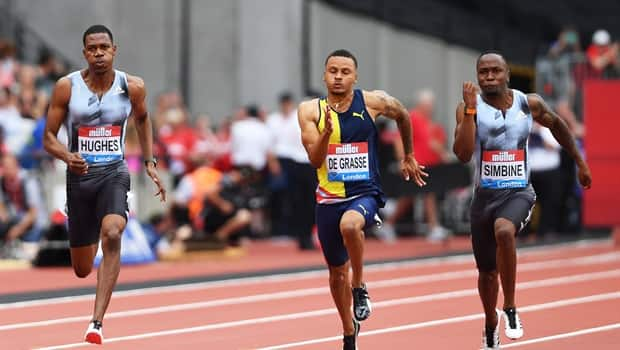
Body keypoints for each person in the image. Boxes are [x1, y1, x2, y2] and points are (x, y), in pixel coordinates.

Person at [453, 52, 592, 349]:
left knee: (505, 231)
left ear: (507, 75)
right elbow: (463, 153)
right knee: (487, 273)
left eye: (495, 71)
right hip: (484, 198)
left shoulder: (528, 103)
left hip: (518, 191)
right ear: (477, 76)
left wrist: (580, 161)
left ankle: (511, 308)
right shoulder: (470, 107)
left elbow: (557, 125)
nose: (489, 77)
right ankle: (491, 324)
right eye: (483, 72)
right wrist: (467, 112)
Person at [43, 25, 166, 344]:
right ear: (84, 52)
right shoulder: (66, 87)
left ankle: (96, 323)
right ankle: (86, 228)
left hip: (114, 172)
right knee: (82, 268)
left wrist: (150, 162)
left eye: (104, 48)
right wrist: (68, 156)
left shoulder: (133, 86)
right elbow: (48, 138)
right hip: (80, 178)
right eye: (92, 48)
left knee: (113, 231)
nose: (98, 53)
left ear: (114, 50)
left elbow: (143, 118)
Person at [297, 49, 427, 350]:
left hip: (363, 194)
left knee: (351, 226)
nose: (338, 77)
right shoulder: (309, 111)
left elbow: (403, 115)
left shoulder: (372, 102)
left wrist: (408, 155)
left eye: (345, 71)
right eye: (333, 71)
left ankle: (359, 285)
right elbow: (315, 160)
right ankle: (348, 334)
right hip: (327, 200)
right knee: (335, 275)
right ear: (324, 75)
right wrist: (326, 135)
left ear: (355, 76)